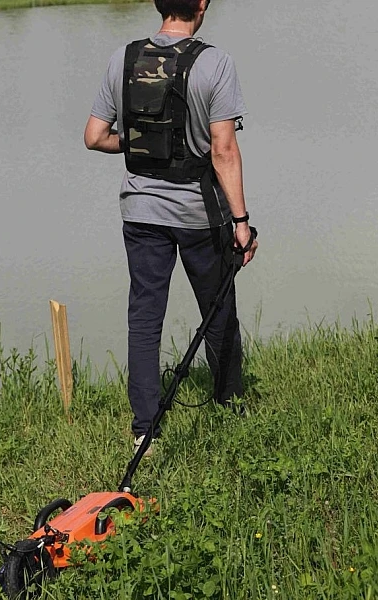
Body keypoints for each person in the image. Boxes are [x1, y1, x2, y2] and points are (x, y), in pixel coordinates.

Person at [84, 0, 258, 455]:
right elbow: (223, 150)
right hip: (200, 214)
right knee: (217, 310)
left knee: (144, 317)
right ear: (200, 5)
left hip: (140, 212)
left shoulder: (123, 59)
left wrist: (141, 142)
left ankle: (145, 430)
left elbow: (94, 136)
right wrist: (241, 221)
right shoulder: (215, 63)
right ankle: (230, 404)